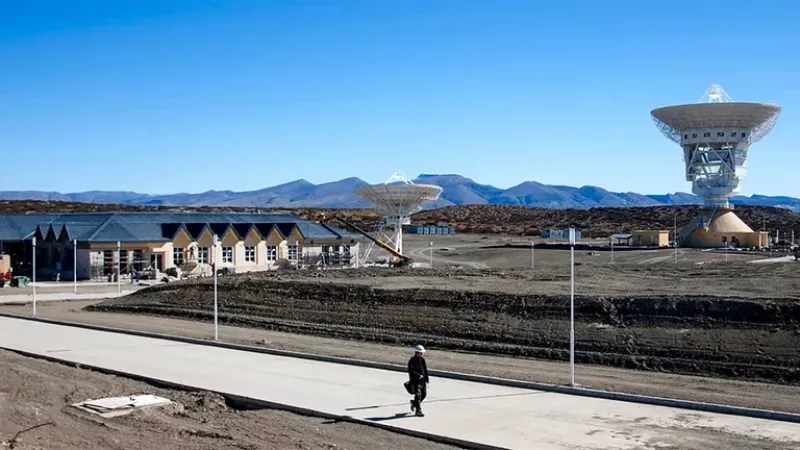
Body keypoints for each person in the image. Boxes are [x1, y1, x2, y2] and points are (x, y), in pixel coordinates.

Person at [407, 344, 429, 417]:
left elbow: (425, 370)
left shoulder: (422, 360)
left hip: (422, 381)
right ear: (417, 353)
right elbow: (411, 371)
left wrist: (426, 379)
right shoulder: (411, 361)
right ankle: (418, 411)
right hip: (415, 381)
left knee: (424, 394)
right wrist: (418, 375)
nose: (422, 354)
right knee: (418, 395)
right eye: (421, 353)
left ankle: (414, 403)